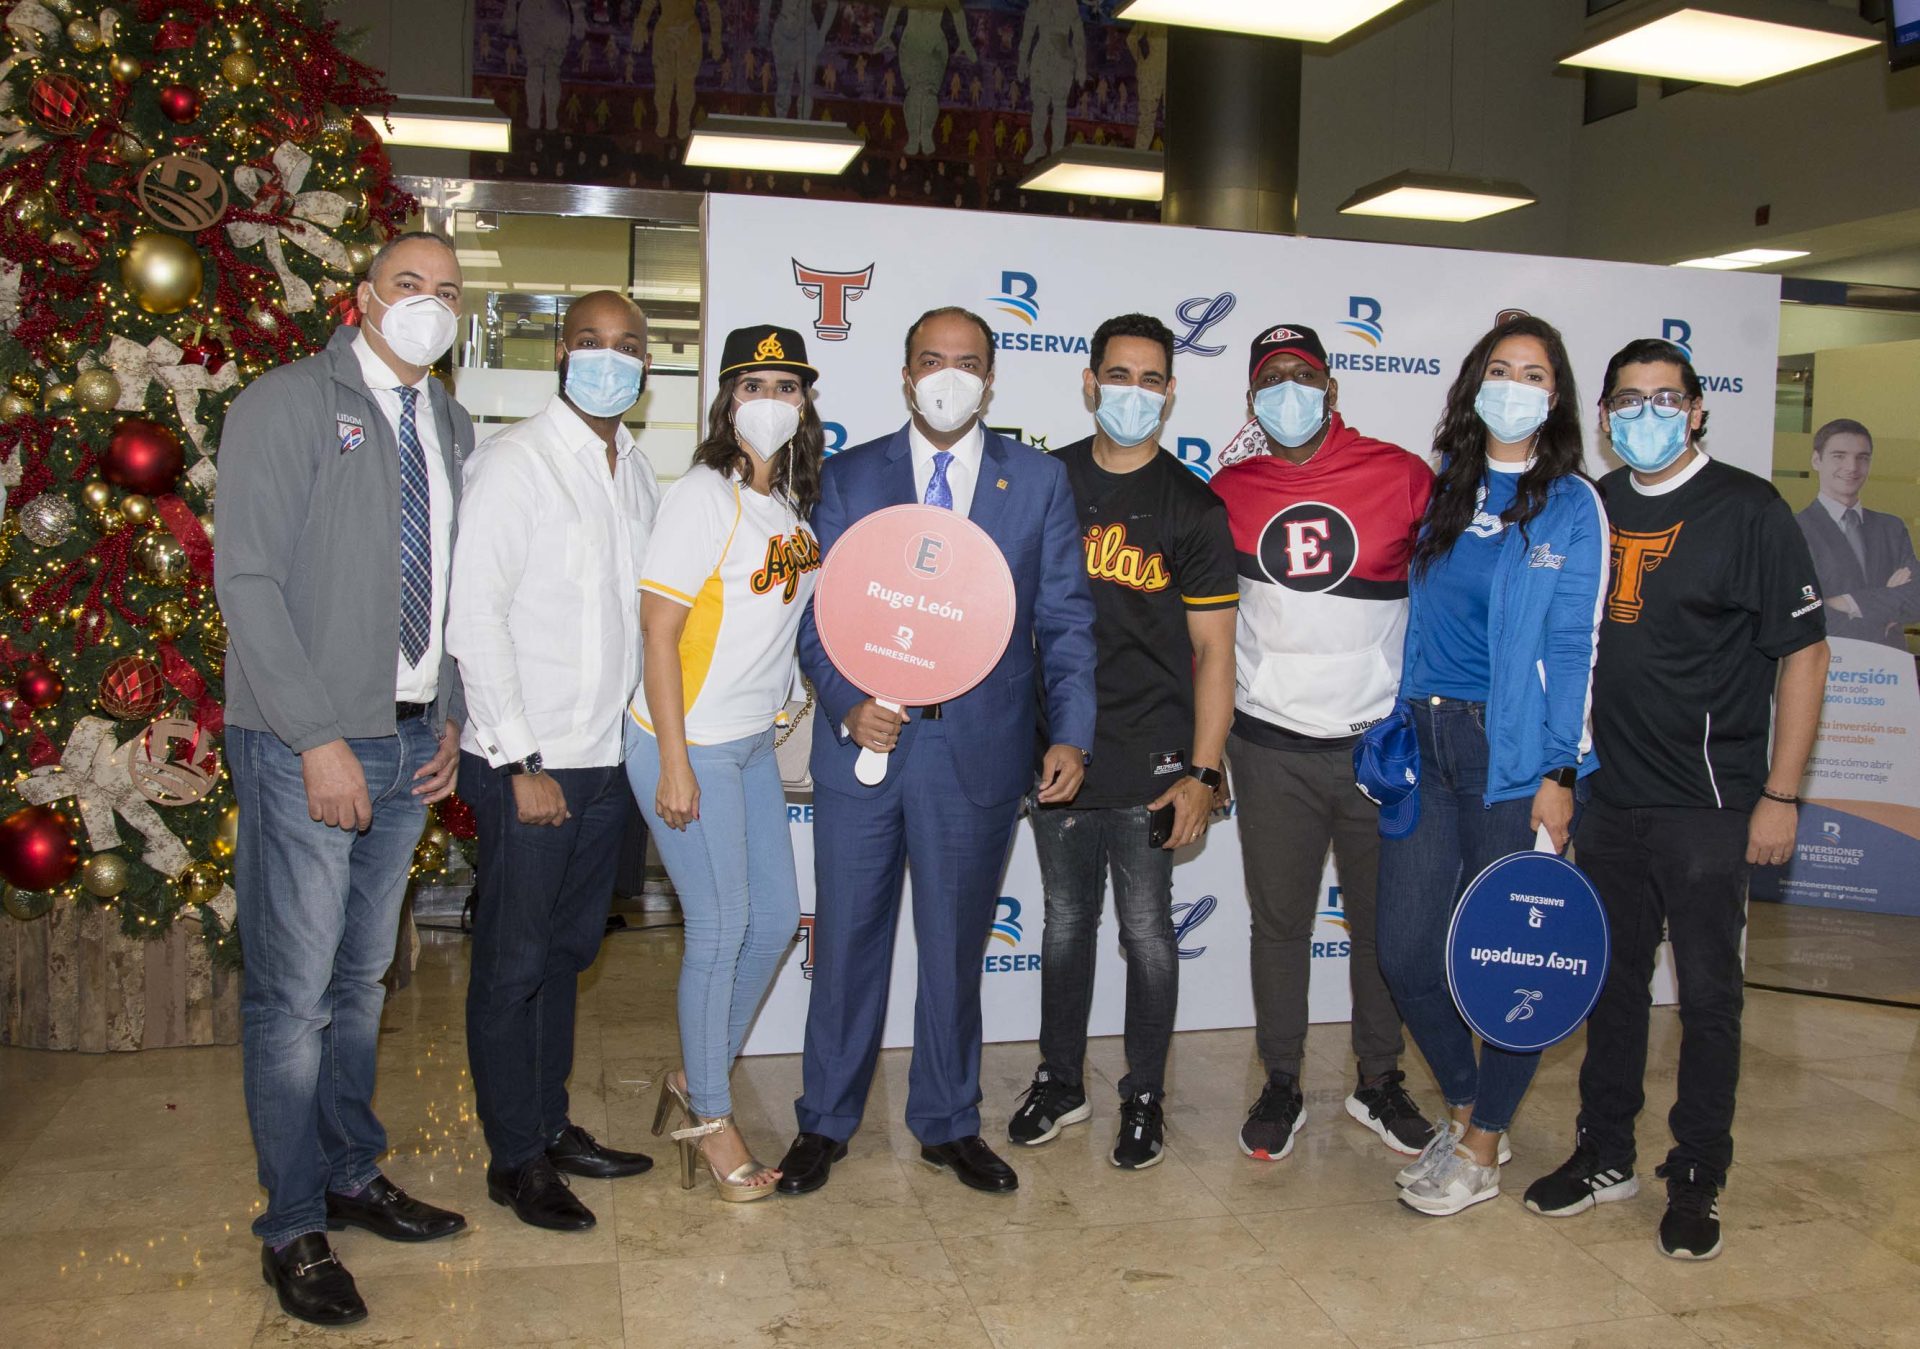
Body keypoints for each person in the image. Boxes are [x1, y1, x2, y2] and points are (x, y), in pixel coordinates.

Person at [778, 306, 1097, 1196]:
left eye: (966, 362)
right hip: (864, 746)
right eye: (930, 359)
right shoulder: (849, 476)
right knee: (846, 942)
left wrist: (1072, 731)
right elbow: (812, 617)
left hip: (978, 752)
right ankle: (825, 1120)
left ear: (990, 379)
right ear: (905, 373)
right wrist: (846, 705)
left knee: (956, 950)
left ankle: (949, 1121)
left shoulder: (1037, 481)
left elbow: (1065, 620)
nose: (947, 377)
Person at [1525, 338, 1829, 1261]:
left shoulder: (1749, 509)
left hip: (1709, 804)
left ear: (1696, 409)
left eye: (1666, 398)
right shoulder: (1593, 506)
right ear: (1604, 415)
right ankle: (1605, 1150)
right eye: (1628, 399)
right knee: (1611, 986)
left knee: (1707, 997)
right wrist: (1563, 775)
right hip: (1609, 795)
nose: (1646, 414)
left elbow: (1805, 654)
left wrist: (1781, 794)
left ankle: (1697, 1170)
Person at [217, 232, 471, 1328]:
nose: (428, 303)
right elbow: (248, 580)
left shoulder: (450, 421)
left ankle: (350, 1172)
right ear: (363, 297)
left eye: (447, 291)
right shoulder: (285, 403)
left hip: (410, 738)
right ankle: (291, 1222)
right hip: (306, 740)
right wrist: (315, 736)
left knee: (363, 980)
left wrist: (449, 712)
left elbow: (449, 584)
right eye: (409, 284)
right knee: (294, 996)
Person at [1375, 314, 1608, 1218]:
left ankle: (1480, 1148)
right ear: (1476, 386)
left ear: (1556, 395)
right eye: (1500, 370)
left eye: (1534, 373)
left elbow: (1575, 644)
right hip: (1424, 740)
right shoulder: (1445, 486)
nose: (1515, 386)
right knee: (1405, 949)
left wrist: (1562, 770)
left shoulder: (1573, 504)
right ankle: (1473, 1108)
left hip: (1512, 758)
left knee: (1517, 958)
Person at [446, 290, 662, 1233]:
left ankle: (548, 1122)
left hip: (608, 761)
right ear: (561, 355)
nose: (610, 359)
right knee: (513, 962)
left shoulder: (636, 470)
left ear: (647, 365)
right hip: (531, 763)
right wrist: (518, 759)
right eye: (590, 342)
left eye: (629, 345)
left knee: (568, 955)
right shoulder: (515, 462)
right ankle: (515, 1159)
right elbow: (474, 618)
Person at [1005, 314, 1236, 1170]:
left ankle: (1144, 1093)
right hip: (1059, 748)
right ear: (1089, 382)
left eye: (1149, 379)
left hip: (1154, 756)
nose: (1132, 392)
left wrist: (1203, 772)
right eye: (1118, 375)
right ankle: (1061, 1080)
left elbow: (1216, 653)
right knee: (1066, 922)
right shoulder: (1046, 481)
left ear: (1169, 393)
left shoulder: (1193, 506)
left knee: (1145, 929)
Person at [1207, 323, 1438, 1163]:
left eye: (1303, 375)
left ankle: (1380, 1078)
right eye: (1272, 378)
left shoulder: (1402, 475)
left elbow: (1446, 602)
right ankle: (1281, 1079)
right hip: (1269, 747)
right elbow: (1207, 630)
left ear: (1332, 390)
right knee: (1279, 924)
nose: (1289, 391)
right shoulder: (1228, 489)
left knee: (1381, 926)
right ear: (1251, 400)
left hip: (1377, 748)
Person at [628, 324, 824, 1202]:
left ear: (805, 404)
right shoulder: (703, 495)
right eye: (754, 386)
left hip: (747, 742)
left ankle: (693, 1074)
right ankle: (711, 1118)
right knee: (719, 926)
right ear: (726, 399)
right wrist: (674, 762)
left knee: (774, 920)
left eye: (788, 387)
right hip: (688, 741)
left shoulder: (788, 504)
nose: (771, 402)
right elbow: (658, 632)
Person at [1794, 418, 1918, 650]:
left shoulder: (1892, 528)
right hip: (1828, 660)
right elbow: (1802, 604)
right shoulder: (1793, 529)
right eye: (1839, 456)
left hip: (1888, 663)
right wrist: (1886, 602)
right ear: (1816, 460)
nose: (1852, 467)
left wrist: (1845, 602)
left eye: (1862, 458)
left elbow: (1916, 597)